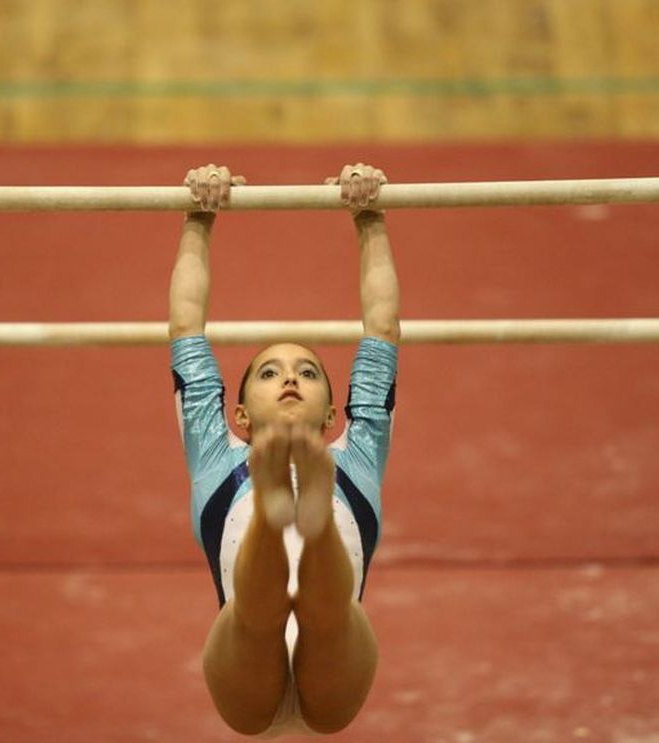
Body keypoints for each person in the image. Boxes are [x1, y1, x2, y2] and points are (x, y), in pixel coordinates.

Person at [168, 162, 400, 736]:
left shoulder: (357, 455)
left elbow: (383, 328)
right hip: (249, 662)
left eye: (308, 372)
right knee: (254, 616)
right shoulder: (216, 454)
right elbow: (184, 327)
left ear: (331, 411)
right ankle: (284, 519)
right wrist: (198, 215)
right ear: (239, 415)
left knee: (327, 616)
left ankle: (300, 520)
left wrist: (370, 215)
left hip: (332, 662)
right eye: (269, 372)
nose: (291, 378)